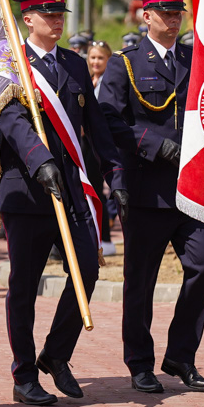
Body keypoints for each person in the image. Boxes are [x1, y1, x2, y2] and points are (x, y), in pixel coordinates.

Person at [0, 0, 127, 405]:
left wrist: (116, 177)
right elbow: (11, 121)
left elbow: (97, 128)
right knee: (24, 285)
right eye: (47, 15)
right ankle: (23, 374)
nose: (57, 20)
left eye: (60, 14)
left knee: (87, 268)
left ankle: (56, 353)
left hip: (69, 187)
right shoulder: (8, 64)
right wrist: (40, 159)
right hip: (27, 191)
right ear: (27, 19)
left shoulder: (72, 63)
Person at [99, 0, 204, 394]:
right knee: (141, 281)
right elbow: (110, 120)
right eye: (164, 12)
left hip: (189, 191)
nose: (173, 18)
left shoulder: (194, 59)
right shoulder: (124, 63)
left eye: (177, 12)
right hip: (146, 189)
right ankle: (140, 362)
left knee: (203, 265)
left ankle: (181, 355)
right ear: (145, 16)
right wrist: (153, 144)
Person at [85, 40, 116, 255]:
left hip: (103, 142)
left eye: (100, 58)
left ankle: (105, 237)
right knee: (88, 189)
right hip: (85, 142)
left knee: (99, 190)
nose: (96, 62)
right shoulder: (87, 80)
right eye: (92, 57)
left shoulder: (111, 81)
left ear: (108, 59)